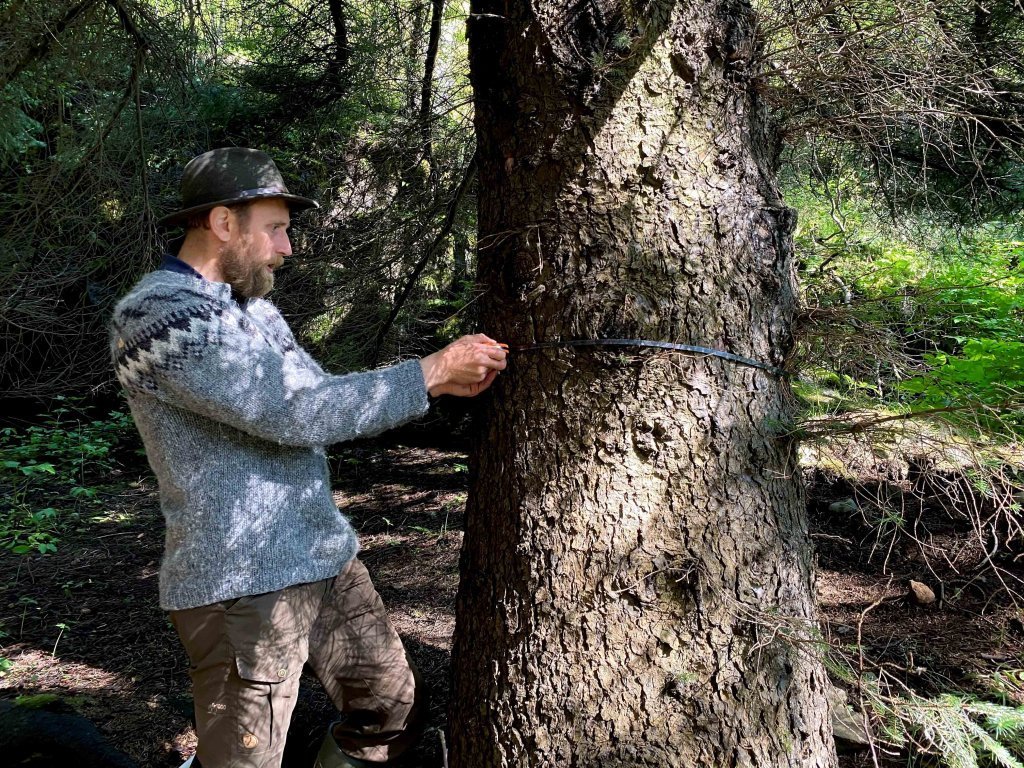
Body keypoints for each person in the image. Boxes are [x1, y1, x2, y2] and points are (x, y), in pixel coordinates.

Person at [109, 147, 507, 768]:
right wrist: (428, 374)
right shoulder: (161, 316)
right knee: (243, 762)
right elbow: (294, 412)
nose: (286, 247)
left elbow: (318, 398)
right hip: (242, 583)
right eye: (275, 228)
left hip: (321, 558)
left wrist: (438, 384)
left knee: (390, 711)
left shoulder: (250, 308)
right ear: (222, 223)